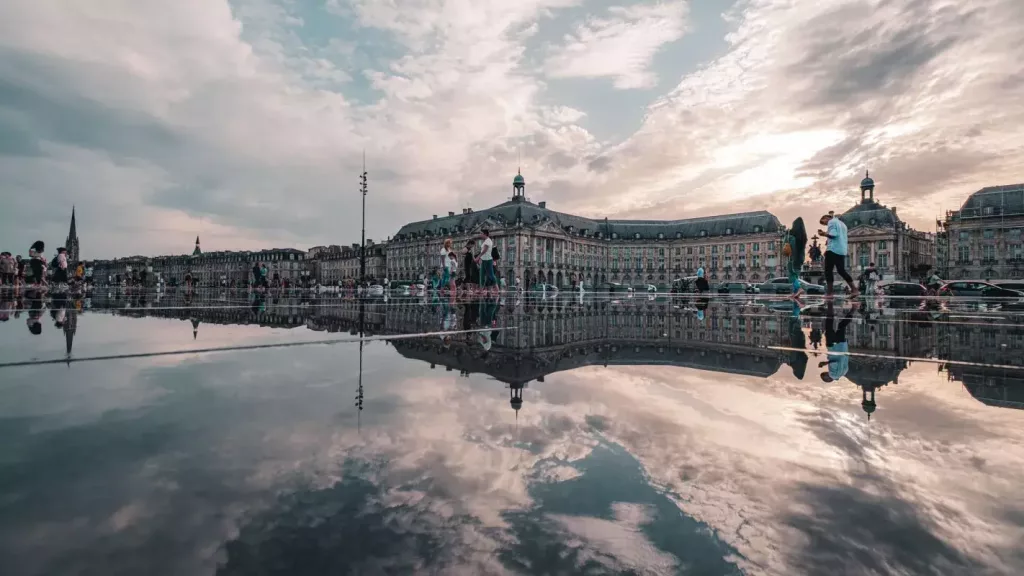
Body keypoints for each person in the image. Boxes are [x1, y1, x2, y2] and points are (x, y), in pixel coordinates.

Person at [817, 212, 858, 297]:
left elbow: (834, 235)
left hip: (833, 249)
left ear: (826, 218)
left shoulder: (831, 222)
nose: (825, 224)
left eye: (824, 222)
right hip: (842, 250)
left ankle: (829, 293)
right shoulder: (843, 224)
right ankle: (854, 289)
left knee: (828, 271)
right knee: (841, 270)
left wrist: (823, 234)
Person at [819, 301, 857, 382]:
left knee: (841, 326)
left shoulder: (844, 372)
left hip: (842, 346)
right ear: (828, 378)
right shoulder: (833, 374)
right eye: (824, 374)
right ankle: (830, 308)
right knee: (829, 326)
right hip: (833, 347)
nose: (826, 372)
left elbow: (846, 358)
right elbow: (835, 363)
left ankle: (853, 310)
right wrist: (825, 363)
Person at [784, 217, 808, 299]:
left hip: (793, 258)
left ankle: (799, 288)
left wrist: (786, 233)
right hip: (800, 258)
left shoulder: (791, 236)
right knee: (796, 275)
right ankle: (795, 293)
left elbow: (785, 244)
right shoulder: (803, 237)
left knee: (792, 275)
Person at [476, 229, 497, 294]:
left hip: (488, 260)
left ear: (485, 234)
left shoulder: (488, 241)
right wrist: (480, 258)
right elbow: (483, 251)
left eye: (481, 233)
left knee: (491, 275)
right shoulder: (485, 241)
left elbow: (484, 250)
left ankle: (497, 288)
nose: (480, 234)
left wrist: (478, 257)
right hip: (484, 260)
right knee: (481, 275)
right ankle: (481, 290)